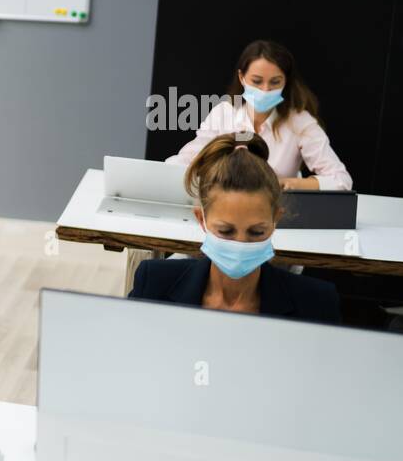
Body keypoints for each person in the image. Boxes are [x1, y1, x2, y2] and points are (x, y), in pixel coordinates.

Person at [131, 134, 340, 322]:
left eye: (256, 232)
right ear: (201, 219)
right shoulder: (154, 284)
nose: (240, 245)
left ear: (276, 220)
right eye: (226, 231)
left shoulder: (316, 304)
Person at [167, 39, 351, 191]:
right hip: (224, 206)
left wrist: (287, 183)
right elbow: (189, 159)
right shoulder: (224, 112)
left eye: (275, 82)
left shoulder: (300, 122)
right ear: (242, 78)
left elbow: (341, 181)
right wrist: (163, 172)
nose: (265, 89)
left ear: (286, 81)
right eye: (256, 81)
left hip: (275, 213)